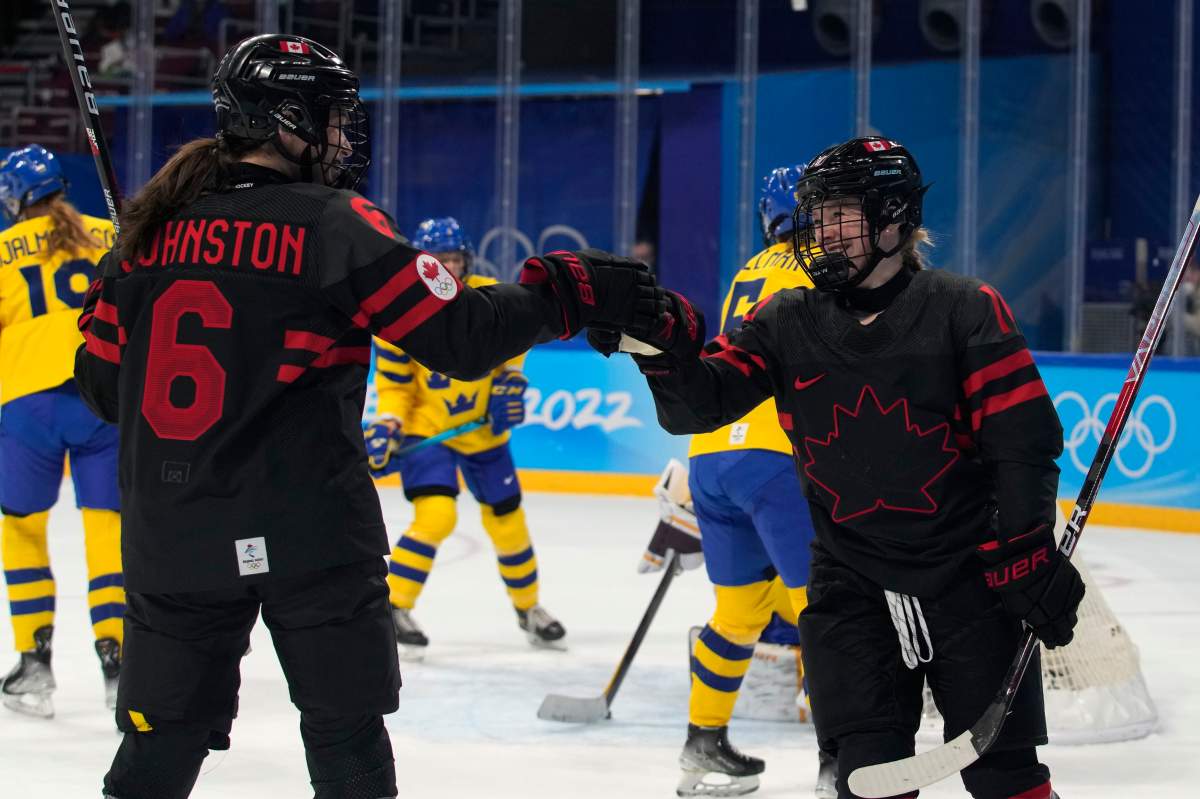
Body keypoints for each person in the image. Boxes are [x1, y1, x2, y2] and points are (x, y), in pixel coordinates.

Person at [73, 34, 660, 799]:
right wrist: (568, 293)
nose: (343, 137)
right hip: (307, 531)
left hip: (175, 533)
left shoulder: (144, 243)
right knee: (346, 738)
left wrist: (132, 272)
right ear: (286, 121)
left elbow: (102, 391)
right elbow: (460, 334)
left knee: (157, 750)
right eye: (332, 118)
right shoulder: (330, 222)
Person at [592, 136, 1082, 799]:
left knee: (1006, 776)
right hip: (849, 584)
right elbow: (699, 404)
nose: (824, 232)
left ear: (895, 217)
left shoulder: (964, 308)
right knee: (866, 776)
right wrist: (653, 338)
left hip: (965, 579)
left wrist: (1024, 550)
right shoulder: (786, 318)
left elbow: (1023, 442)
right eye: (819, 216)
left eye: (842, 214)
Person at [660, 164, 820, 798]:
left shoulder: (748, 269)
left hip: (711, 458)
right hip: (775, 455)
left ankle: (702, 743)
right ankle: (844, 759)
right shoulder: (821, 266)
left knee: (739, 612)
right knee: (824, 612)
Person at [365, 216, 566, 655]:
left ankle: (529, 608)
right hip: (430, 431)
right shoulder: (400, 310)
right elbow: (396, 387)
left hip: (484, 435)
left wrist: (510, 383)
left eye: (455, 259)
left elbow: (516, 345)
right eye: (439, 261)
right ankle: (393, 607)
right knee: (437, 517)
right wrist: (388, 423)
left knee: (509, 523)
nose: (448, 269)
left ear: (467, 259)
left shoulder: (489, 293)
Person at [0, 144, 122, 720]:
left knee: (21, 529)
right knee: (107, 533)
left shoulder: (1, 250)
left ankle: (35, 664)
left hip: (28, 405)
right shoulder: (109, 234)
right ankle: (118, 662)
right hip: (102, 397)